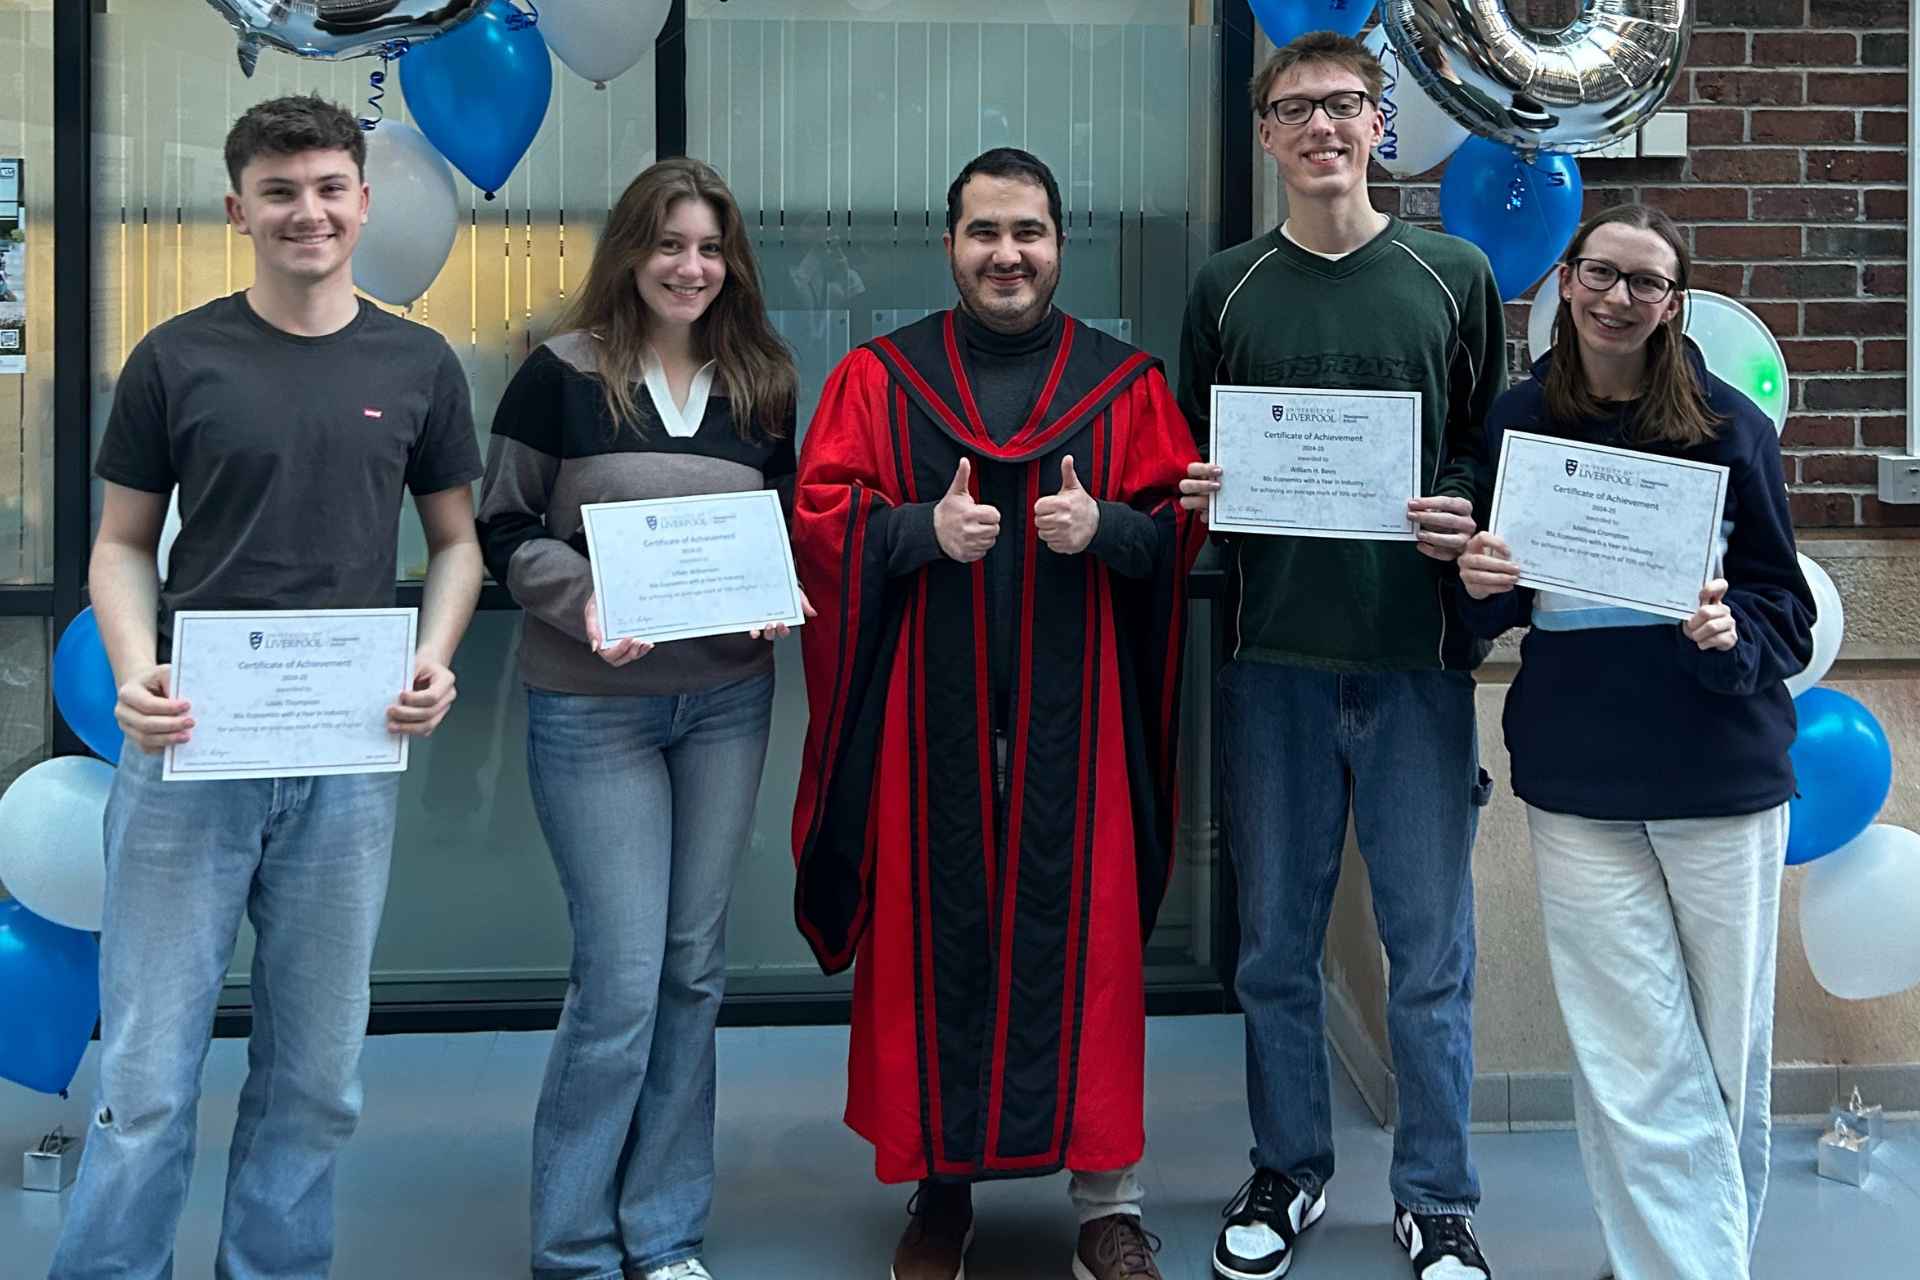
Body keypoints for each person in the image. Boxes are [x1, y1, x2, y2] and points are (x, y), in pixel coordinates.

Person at [50, 95, 484, 1279]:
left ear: (362, 199)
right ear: (239, 208)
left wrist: (432, 652)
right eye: (281, 192)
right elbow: (123, 544)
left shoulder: (418, 362)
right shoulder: (175, 357)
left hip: (348, 759)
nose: (310, 211)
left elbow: (456, 543)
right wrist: (139, 665)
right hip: (189, 751)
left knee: (316, 1077)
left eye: (331, 187)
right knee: (143, 1081)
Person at [789, 147, 1204, 1280]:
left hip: (1086, 727)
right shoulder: (883, 379)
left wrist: (1107, 529)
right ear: (950, 245)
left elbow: (1180, 527)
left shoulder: (1124, 385)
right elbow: (819, 517)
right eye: (985, 232)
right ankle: (941, 1188)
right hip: (935, 728)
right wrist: (919, 532)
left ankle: (1106, 1204)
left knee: (1093, 947)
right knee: (940, 934)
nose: (1006, 254)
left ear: (1060, 243)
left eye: (1027, 231)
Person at [1176, 31, 1507, 1280]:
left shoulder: (1453, 272)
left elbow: (1488, 437)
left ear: (1384, 128)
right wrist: (1203, 484)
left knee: (1430, 952)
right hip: (1273, 660)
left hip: (1416, 661)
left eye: (1345, 105)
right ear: (1264, 134)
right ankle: (1289, 1169)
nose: (1322, 126)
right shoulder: (1227, 287)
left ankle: (1438, 1196)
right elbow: (1201, 445)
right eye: (1296, 107)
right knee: (1273, 946)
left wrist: (1463, 501)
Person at [1456, 204, 1814, 1280]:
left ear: (1675, 305)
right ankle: (1687, 1262)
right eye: (1600, 274)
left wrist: (1728, 632)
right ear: (1567, 281)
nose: (1619, 298)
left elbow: (1783, 613)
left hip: (1721, 771)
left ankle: (1679, 1259)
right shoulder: (1518, 419)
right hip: (1579, 777)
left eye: (1645, 283)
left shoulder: (1724, 427)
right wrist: (1478, 586)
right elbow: (1497, 597)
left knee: (1722, 1050)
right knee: (1627, 1049)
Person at [474, 157, 802, 1280]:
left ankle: (662, 1232)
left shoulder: (761, 381)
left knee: (692, 969)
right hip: (594, 708)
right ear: (630, 252)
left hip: (724, 705)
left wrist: (775, 593)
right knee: (617, 981)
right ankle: (571, 1244)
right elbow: (503, 527)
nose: (691, 267)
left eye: (710, 247)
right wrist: (586, 598)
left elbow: (781, 526)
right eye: (669, 244)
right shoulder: (557, 375)